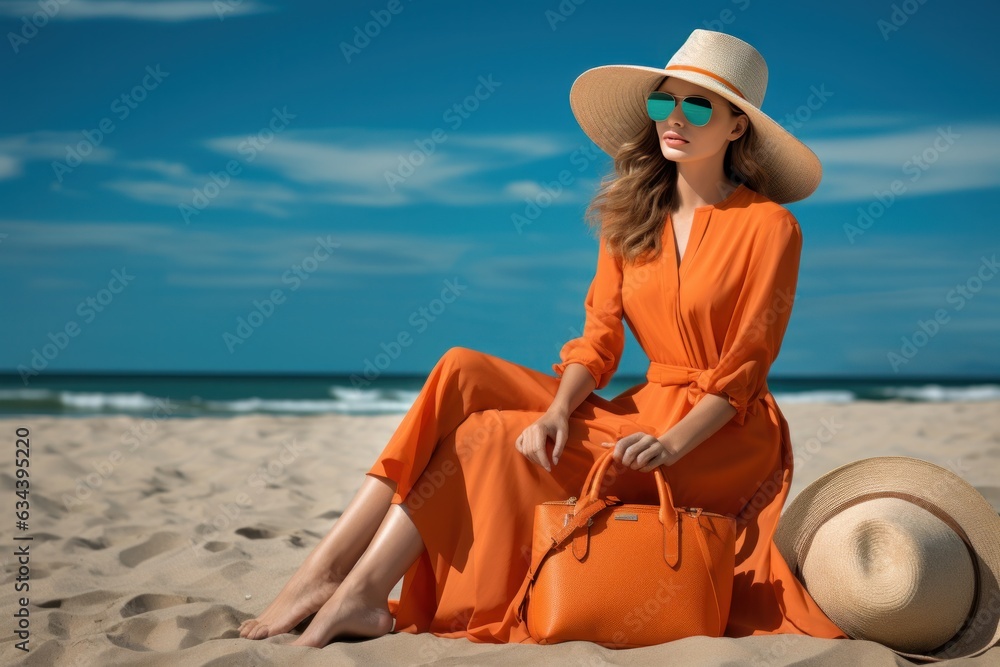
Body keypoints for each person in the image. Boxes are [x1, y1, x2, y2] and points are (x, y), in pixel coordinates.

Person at [238, 28, 852, 648]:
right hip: (641, 407)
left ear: (736, 127)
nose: (674, 118)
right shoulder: (631, 219)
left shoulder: (772, 226)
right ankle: (327, 570)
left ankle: (364, 593)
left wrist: (670, 445)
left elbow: (746, 364)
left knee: (486, 435)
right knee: (460, 369)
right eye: (664, 101)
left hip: (722, 436)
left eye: (698, 105)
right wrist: (560, 408)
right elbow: (599, 341)